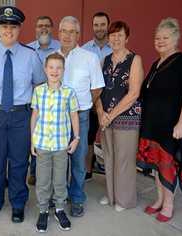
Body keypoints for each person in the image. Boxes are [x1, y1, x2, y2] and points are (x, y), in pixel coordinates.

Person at [0, 6, 46, 223]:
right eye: (4, 26)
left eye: (13, 26)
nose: (8, 30)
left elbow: (40, 85)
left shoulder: (30, 55)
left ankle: (17, 203)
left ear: (19, 28)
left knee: (18, 162)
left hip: (20, 116)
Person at [137, 18, 182, 222]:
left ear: (176, 38)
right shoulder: (156, 64)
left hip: (171, 127)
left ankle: (169, 205)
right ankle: (159, 200)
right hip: (153, 125)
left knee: (167, 165)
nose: (160, 41)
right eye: (157, 37)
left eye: (166, 37)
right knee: (156, 165)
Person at [58, 16, 105, 217]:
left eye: (72, 32)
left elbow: (97, 88)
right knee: (58, 161)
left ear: (78, 35)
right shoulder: (51, 56)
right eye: (64, 31)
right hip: (56, 118)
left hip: (81, 116)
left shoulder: (89, 57)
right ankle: (59, 197)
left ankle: (77, 197)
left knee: (78, 160)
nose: (67, 35)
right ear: (58, 33)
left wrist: (81, 106)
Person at [97, 21, 144, 212]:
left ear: (127, 38)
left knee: (124, 159)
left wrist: (111, 115)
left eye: (120, 35)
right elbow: (97, 89)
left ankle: (124, 200)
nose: (115, 38)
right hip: (106, 117)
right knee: (109, 156)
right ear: (108, 38)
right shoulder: (105, 60)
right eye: (112, 35)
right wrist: (101, 113)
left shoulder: (135, 59)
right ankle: (111, 196)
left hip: (127, 117)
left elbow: (133, 93)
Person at [31, 52, 79, 232]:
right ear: (45, 69)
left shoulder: (68, 93)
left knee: (59, 180)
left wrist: (76, 138)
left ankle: (59, 209)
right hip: (42, 144)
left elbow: (74, 115)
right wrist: (31, 140)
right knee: (43, 180)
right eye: (51, 67)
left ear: (64, 70)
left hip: (61, 146)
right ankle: (43, 210)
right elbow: (35, 115)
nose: (54, 71)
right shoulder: (38, 91)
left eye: (58, 67)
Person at [27, 15, 61, 186]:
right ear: (35, 28)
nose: (44, 28)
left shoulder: (60, 49)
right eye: (40, 25)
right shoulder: (28, 49)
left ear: (52, 28)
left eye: (47, 25)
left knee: (54, 138)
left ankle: (55, 176)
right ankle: (34, 172)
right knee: (36, 136)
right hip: (35, 101)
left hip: (55, 102)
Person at [82, 12, 112, 181]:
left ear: (108, 26)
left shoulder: (115, 47)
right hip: (92, 102)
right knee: (89, 137)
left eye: (102, 24)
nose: (99, 28)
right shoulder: (85, 49)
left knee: (110, 140)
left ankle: (111, 173)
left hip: (112, 104)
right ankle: (88, 170)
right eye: (96, 25)